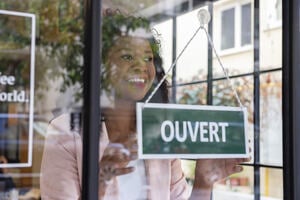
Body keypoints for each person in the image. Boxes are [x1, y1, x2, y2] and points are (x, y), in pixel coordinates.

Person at [40, 9, 250, 200]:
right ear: (101, 66)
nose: (141, 66)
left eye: (148, 58)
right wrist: (100, 180)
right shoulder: (66, 132)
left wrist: (203, 183)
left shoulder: (160, 131)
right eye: (127, 56)